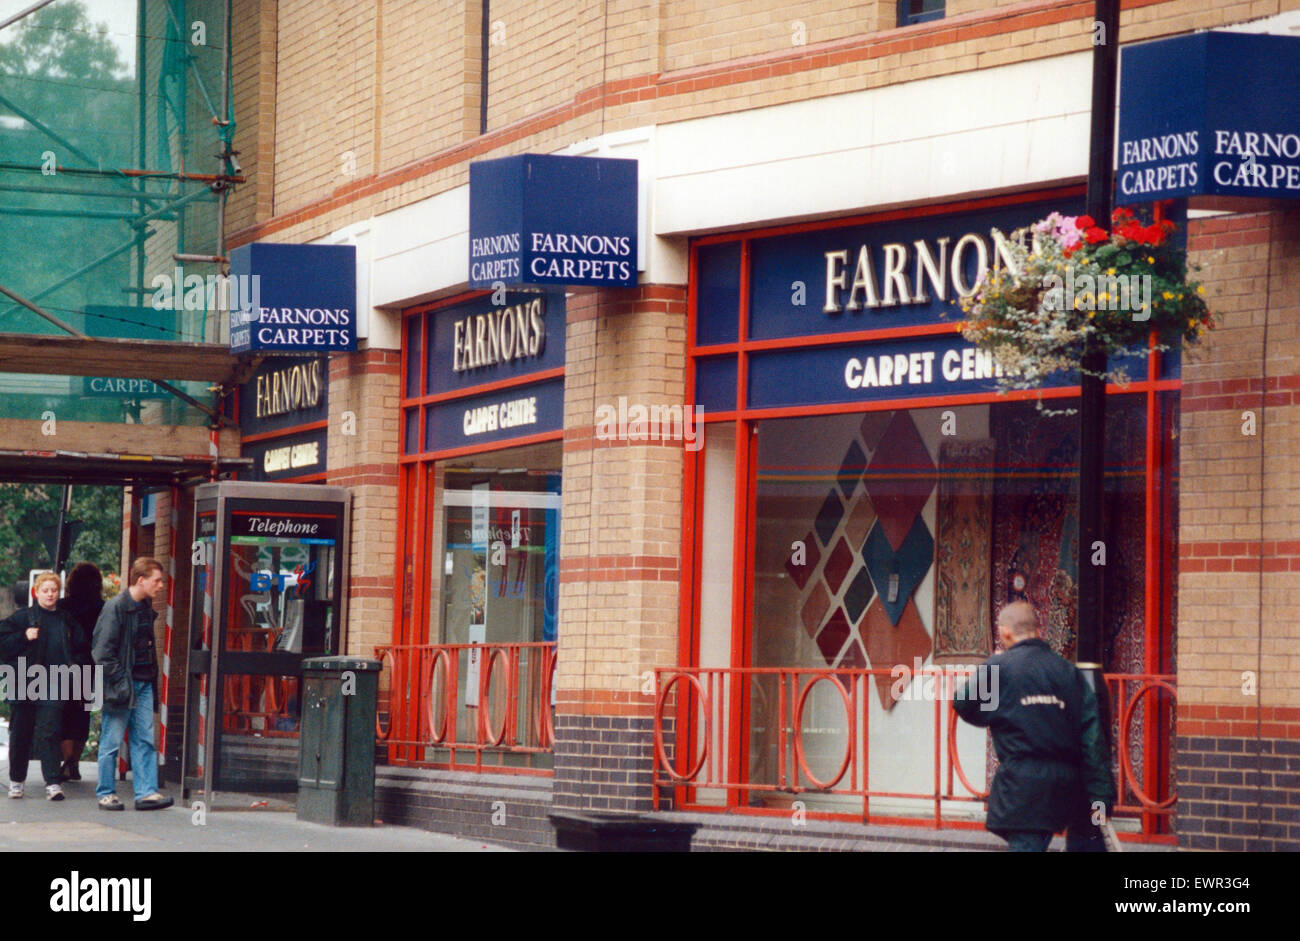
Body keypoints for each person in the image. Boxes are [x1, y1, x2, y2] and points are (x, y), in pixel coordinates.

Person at [953, 601, 1115, 851]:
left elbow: (963, 704)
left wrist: (989, 679)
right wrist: (1101, 795)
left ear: (1004, 632)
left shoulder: (998, 669)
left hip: (1023, 785)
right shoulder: (1068, 672)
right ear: (1037, 630)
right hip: (1068, 784)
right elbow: (1092, 740)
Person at [92, 557, 173, 811]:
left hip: (143, 682)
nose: (161, 585)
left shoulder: (145, 607)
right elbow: (102, 653)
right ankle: (106, 793)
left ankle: (146, 793)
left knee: (145, 739)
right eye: (157, 580)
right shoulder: (115, 608)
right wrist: (121, 683)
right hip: (122, 686)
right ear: (141, 580)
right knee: (111, 741)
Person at [0, 571, 78, 800]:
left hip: (54, 682)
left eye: (54, 590)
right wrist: (24, 636)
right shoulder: (22, 618)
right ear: (36, 592)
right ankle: (16, 781)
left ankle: (53, 783)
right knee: (20, 733)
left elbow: (80, 645)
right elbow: (3, 645)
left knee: (49, 732)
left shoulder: (65, 619)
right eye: (46, 590)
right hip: (24, 682)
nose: (50, 594)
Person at [56, 562, 104, 781]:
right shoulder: (101, 607)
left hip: (64, 666)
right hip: (89, 666)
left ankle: (66, 760)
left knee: (64, 714)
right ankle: (74, 760)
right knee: (82, 714)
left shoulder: (62, 606)